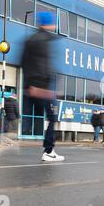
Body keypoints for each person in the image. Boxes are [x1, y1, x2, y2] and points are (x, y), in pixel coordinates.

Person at [21, 12, 64, 162]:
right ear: (48, 24)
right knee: (52, 117)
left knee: (27, 123)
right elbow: (43, 66)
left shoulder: (30, 39)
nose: (55, 26)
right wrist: (47, 88)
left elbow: (23, 63)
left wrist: (29, 85)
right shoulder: (44, 40)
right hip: (41, 89)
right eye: (53, 23)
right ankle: (49, 151)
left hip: (29, 87)